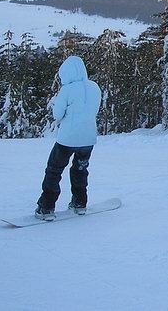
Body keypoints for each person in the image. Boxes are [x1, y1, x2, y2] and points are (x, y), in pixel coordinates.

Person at [34, 56, 104, 216]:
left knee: (54, 170)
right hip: (88, 138)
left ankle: (46, 207)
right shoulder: (95, 87)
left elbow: (58, 114)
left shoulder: (67, 90)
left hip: (67, 139)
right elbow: (95, 110)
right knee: (80, 169)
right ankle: (79, 203)